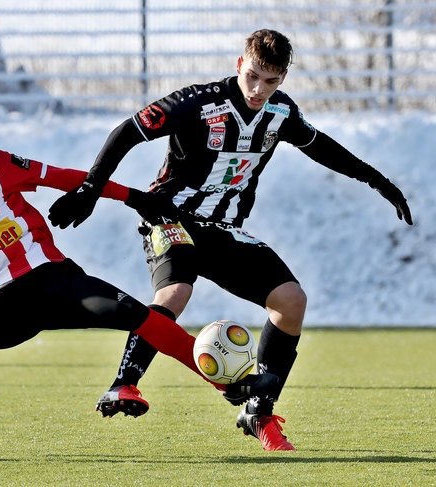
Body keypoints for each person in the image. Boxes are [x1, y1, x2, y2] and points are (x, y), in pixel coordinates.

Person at [47, 29, 412, 451]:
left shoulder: (280, 112)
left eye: (271, 81)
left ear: (283, 77)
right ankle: (123, 385)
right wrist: (91, 188)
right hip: (169, 215)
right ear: (240, 64)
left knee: (291, 301)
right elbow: (126, 131)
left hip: (223, 229)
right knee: (176, 292)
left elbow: (322, 147)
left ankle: (260, 411)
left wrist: (378, 181)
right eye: (253, 75)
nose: (259, 89)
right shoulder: (198, 103)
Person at [0, 121, 278, 461]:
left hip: (54, 281)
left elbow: (62, 177)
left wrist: (132, 197)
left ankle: (233, 389)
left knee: (140, 316)